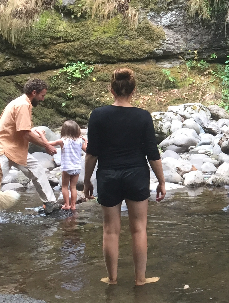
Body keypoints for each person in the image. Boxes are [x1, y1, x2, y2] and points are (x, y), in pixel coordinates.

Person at [83, 67, 166, 286]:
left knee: (110, 230)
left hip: (108, 175)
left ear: (111, 90)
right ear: (134, 90)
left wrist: (87, 182)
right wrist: (162, 181)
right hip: (136, 174)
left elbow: (92, 153)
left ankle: (112, 279)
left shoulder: (98, 115)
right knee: (139, 228)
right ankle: (140, 279)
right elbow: (152, 154)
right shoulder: (143, 116)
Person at [0, 78, 60, 215]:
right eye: (42, 95)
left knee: (37, 169)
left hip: (14, 148)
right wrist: (46, 145)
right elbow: (25, 134)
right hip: (3, 150)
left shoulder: (21, 102)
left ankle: (50, 203)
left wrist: (35, 132)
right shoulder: (22, 105)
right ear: (34, 92)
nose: (43, 99)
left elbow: (22, 129)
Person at [49, 120, 87, 211]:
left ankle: (67, 204)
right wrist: (85, 140)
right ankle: (73, 205)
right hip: (77, 168)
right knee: (73, 187)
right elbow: (87, 150)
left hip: (67, 168)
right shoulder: (79, 141)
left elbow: (48, 144)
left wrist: (41, 136)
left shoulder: (62, 141)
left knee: (65, 186)